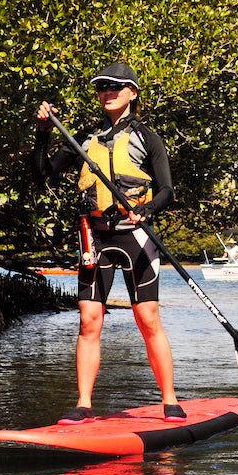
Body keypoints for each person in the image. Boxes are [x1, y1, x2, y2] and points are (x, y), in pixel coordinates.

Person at [31, 61, 186, 425]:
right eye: (102, 87)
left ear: (132, 93)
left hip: (135, 236)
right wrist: (42, 133)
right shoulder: (84, 139)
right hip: (94, 236)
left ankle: (170, 400)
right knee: (89, 321)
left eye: (115, 86)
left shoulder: (148, 138)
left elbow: (167, 190)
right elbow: (42, 172)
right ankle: (84, 405)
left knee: (147, 319)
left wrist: (147, 209)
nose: (107, 92)